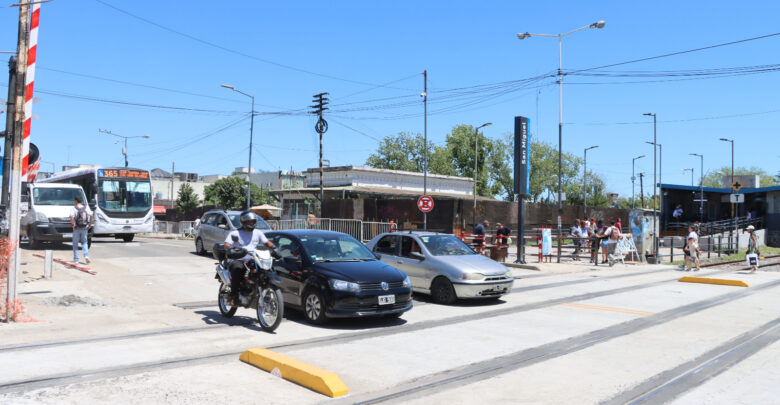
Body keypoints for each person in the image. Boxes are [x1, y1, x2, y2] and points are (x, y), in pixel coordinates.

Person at [223, 211, 278, 306]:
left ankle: (256, 287)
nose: (251, 223)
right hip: (237, 258)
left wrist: (274, 248)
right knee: (237, 269)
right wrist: (231, 249)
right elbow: (226, 245)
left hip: (252, 258)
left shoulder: (258, 233)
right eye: (249, 222)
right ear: (244, 222)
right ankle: (233, 296)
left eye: (253, 222)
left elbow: (267, 242)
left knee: (264, 270)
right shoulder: (236, 233)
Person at [69, 196, 93, 264]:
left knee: (75, 243)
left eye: (74, 201)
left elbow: (71, 216)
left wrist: (73, 225)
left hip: (77, 228)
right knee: (84, 242)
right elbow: (91, 215)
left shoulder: (74, 208)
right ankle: (86, 256)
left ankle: (76, 259)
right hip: (85, 227)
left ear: (76, 201)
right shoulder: (86, 207)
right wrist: (90, 225)